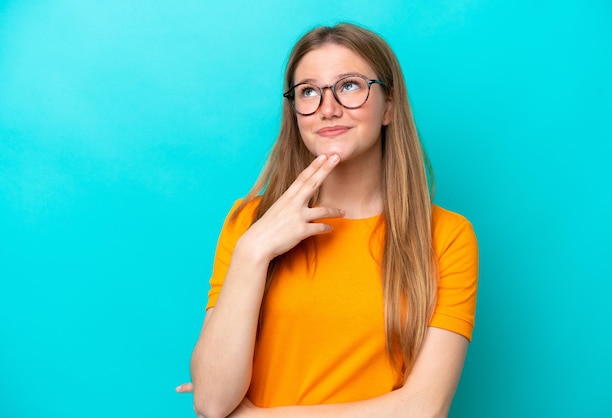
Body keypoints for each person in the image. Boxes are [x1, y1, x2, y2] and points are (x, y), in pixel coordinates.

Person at [176, 23, 478, 418]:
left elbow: (423, 408)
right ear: (295, 112)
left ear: (388, 106)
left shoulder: (447, 237)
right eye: (309, 92)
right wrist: (253, 251)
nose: (328, 107)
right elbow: (213, 401)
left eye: (350, 86)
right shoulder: (249, 222)